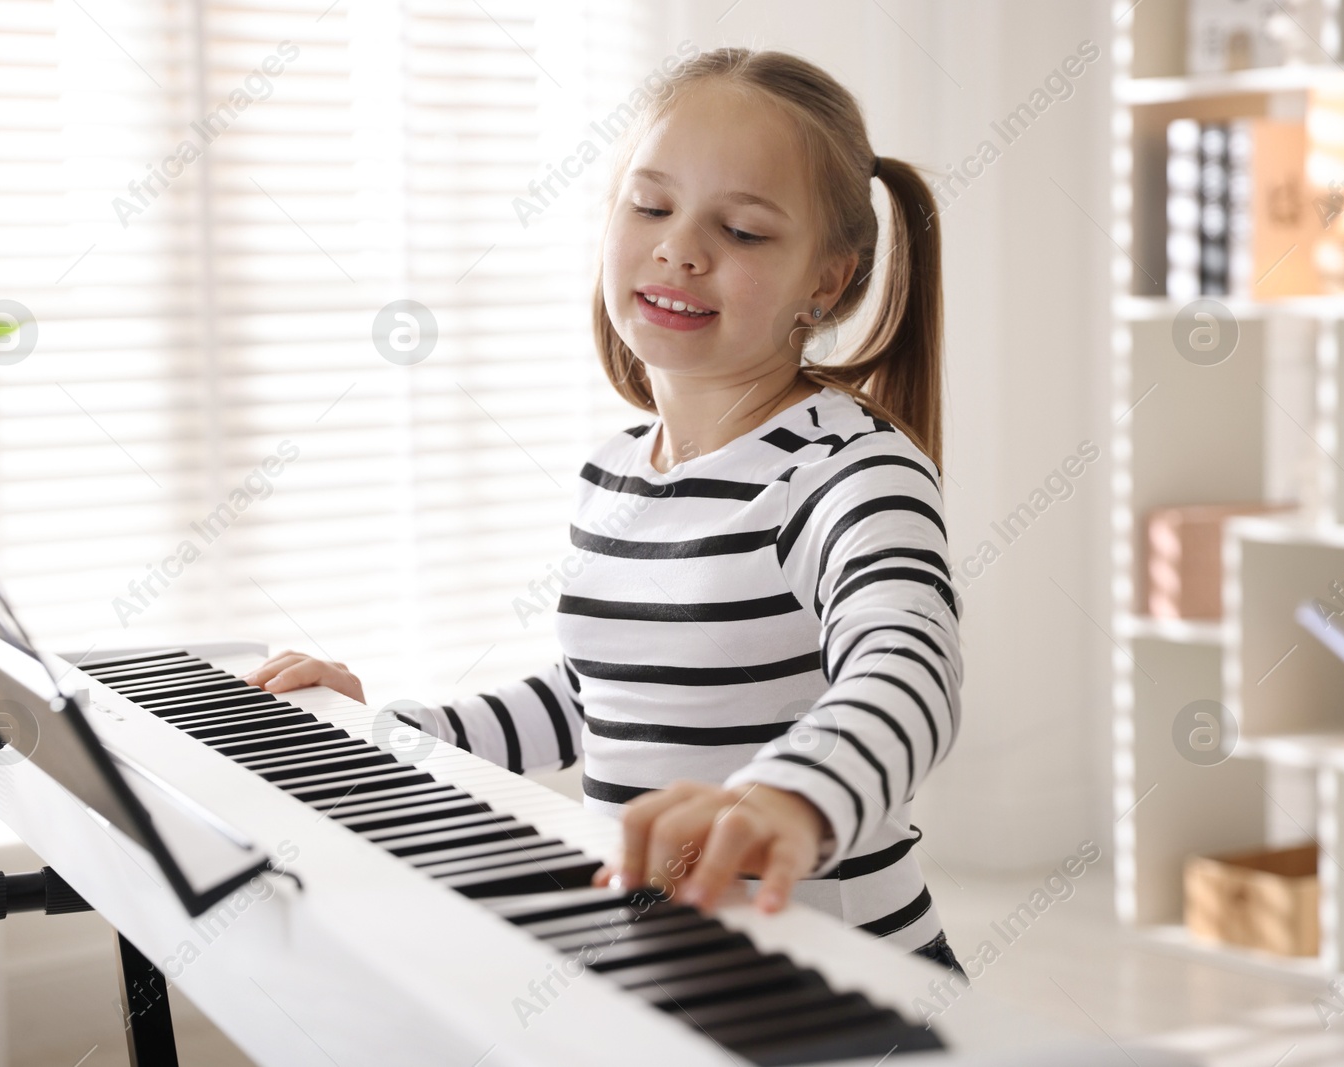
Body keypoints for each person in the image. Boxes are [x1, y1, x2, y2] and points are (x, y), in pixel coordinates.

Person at [243, 46, 964, 975]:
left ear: (824, 282)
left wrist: (790, 796)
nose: (681, 248)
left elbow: (908, 668)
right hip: (676, 960)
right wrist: (389, 736)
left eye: (743, 230)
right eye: (652, 206)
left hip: (843, 976)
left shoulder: (849, 469)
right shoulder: (617, 469)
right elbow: (596, 697)